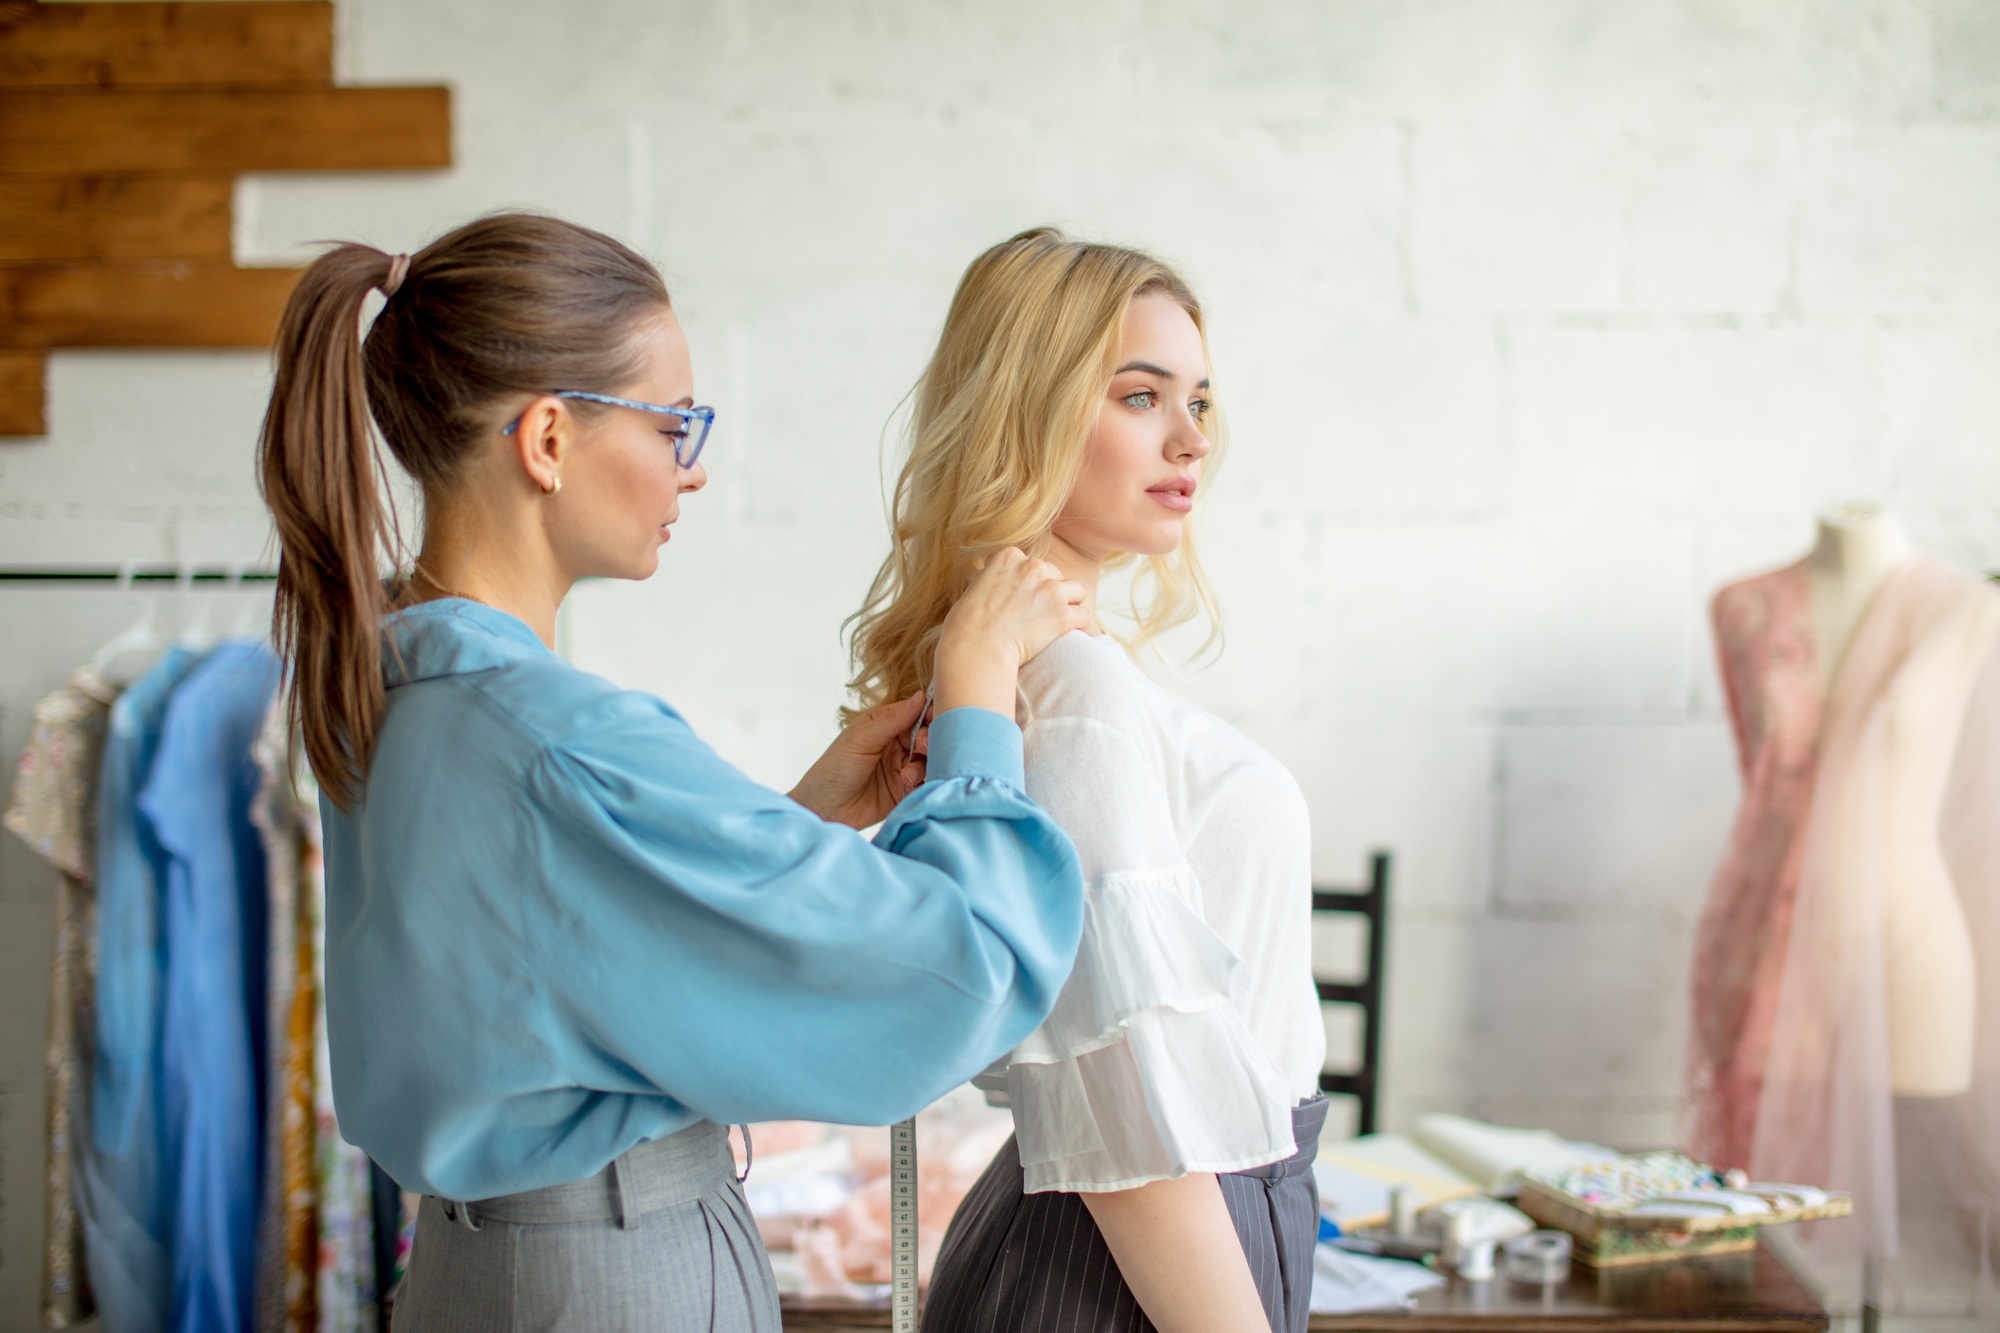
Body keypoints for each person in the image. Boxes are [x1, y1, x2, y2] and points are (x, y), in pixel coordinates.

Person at [254, 212, 1093, 1332]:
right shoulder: (554, 738)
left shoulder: (405, 690)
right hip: (607, 1272)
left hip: (479, 1266)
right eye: (673, 426)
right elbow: (949, 973)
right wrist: (979, 687)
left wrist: (801, 819)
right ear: (547, 438)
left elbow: (564, 958)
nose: (690, 473)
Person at [850, 228, 1326, 1333]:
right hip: (1148, 1262)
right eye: (1139, 396)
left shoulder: (1060, 675)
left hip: (1179, 1234)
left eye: (1197, 402)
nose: (1189, 438)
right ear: (1029, 412)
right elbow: (1125, 1099)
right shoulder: (1072, 686)